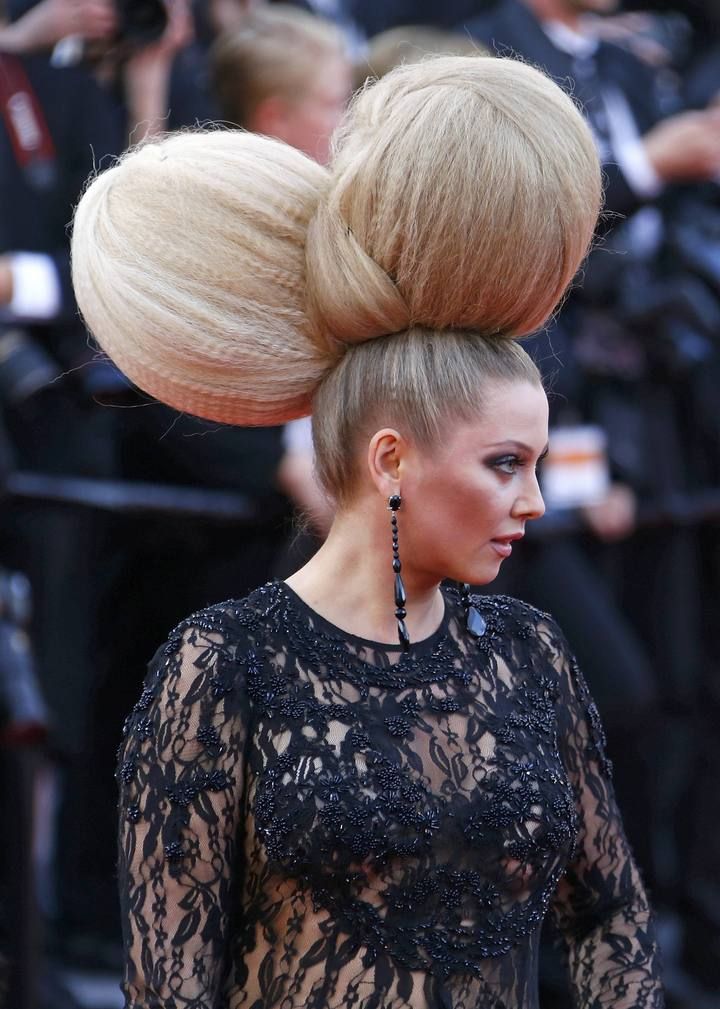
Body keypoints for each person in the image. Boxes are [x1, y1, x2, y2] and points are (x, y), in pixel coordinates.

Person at [71, 55, 664, 1008]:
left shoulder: (531, 653)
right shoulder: (220, 666)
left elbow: (611, 923)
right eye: (505, 464)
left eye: (537, 464)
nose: (536, 502)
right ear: (391, 460)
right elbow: (171, 974)